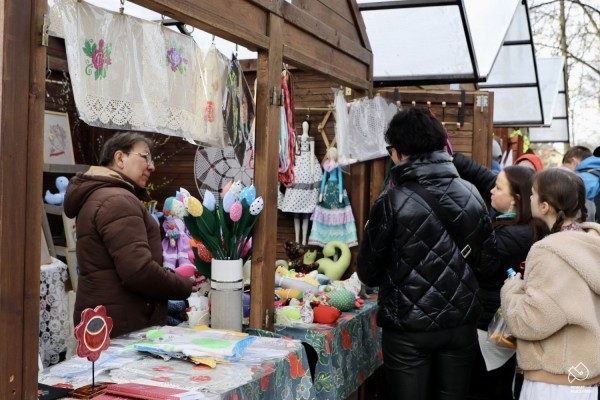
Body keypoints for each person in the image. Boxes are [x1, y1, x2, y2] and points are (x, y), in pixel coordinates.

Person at [356, 107, 499, 400]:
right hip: (461, 325)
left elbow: (368, 272)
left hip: (409, 328)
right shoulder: (472, 193)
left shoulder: (391, 201)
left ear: (400, 152)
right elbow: (489, 264)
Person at [63, 131, 193, 338]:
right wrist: (184, 285)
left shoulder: (105, 196)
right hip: (122, 325)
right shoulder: (117, 200)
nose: (152, 166)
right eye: (145, 157)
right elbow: (138, 270)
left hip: (110, 317)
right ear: (120, 158)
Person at [452, 153, 548, 400]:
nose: (491, 191)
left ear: (515, 199)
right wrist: (453, 157)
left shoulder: (512, 235)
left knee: (485, 387)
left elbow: (479, 266)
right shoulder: (520, 225)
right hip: (496, 322)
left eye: (498, 187)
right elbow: (487, 179)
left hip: (491, 326)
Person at [501, 168, 600, 399]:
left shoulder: (550, 251)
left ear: (545, 206)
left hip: (552, 380)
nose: (531, 198)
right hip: (584, 379)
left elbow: (531, 321)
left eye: (534, 194)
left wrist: (512, 288)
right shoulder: (592, 245)